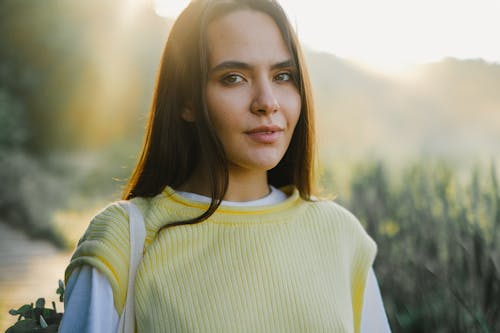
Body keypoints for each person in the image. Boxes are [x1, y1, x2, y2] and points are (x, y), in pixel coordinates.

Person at [59, 0, 391, 332]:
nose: (267, 102)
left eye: (283, 76)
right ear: (187, 100)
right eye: (234, 78)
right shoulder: (125, 239)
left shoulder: (341, 236)